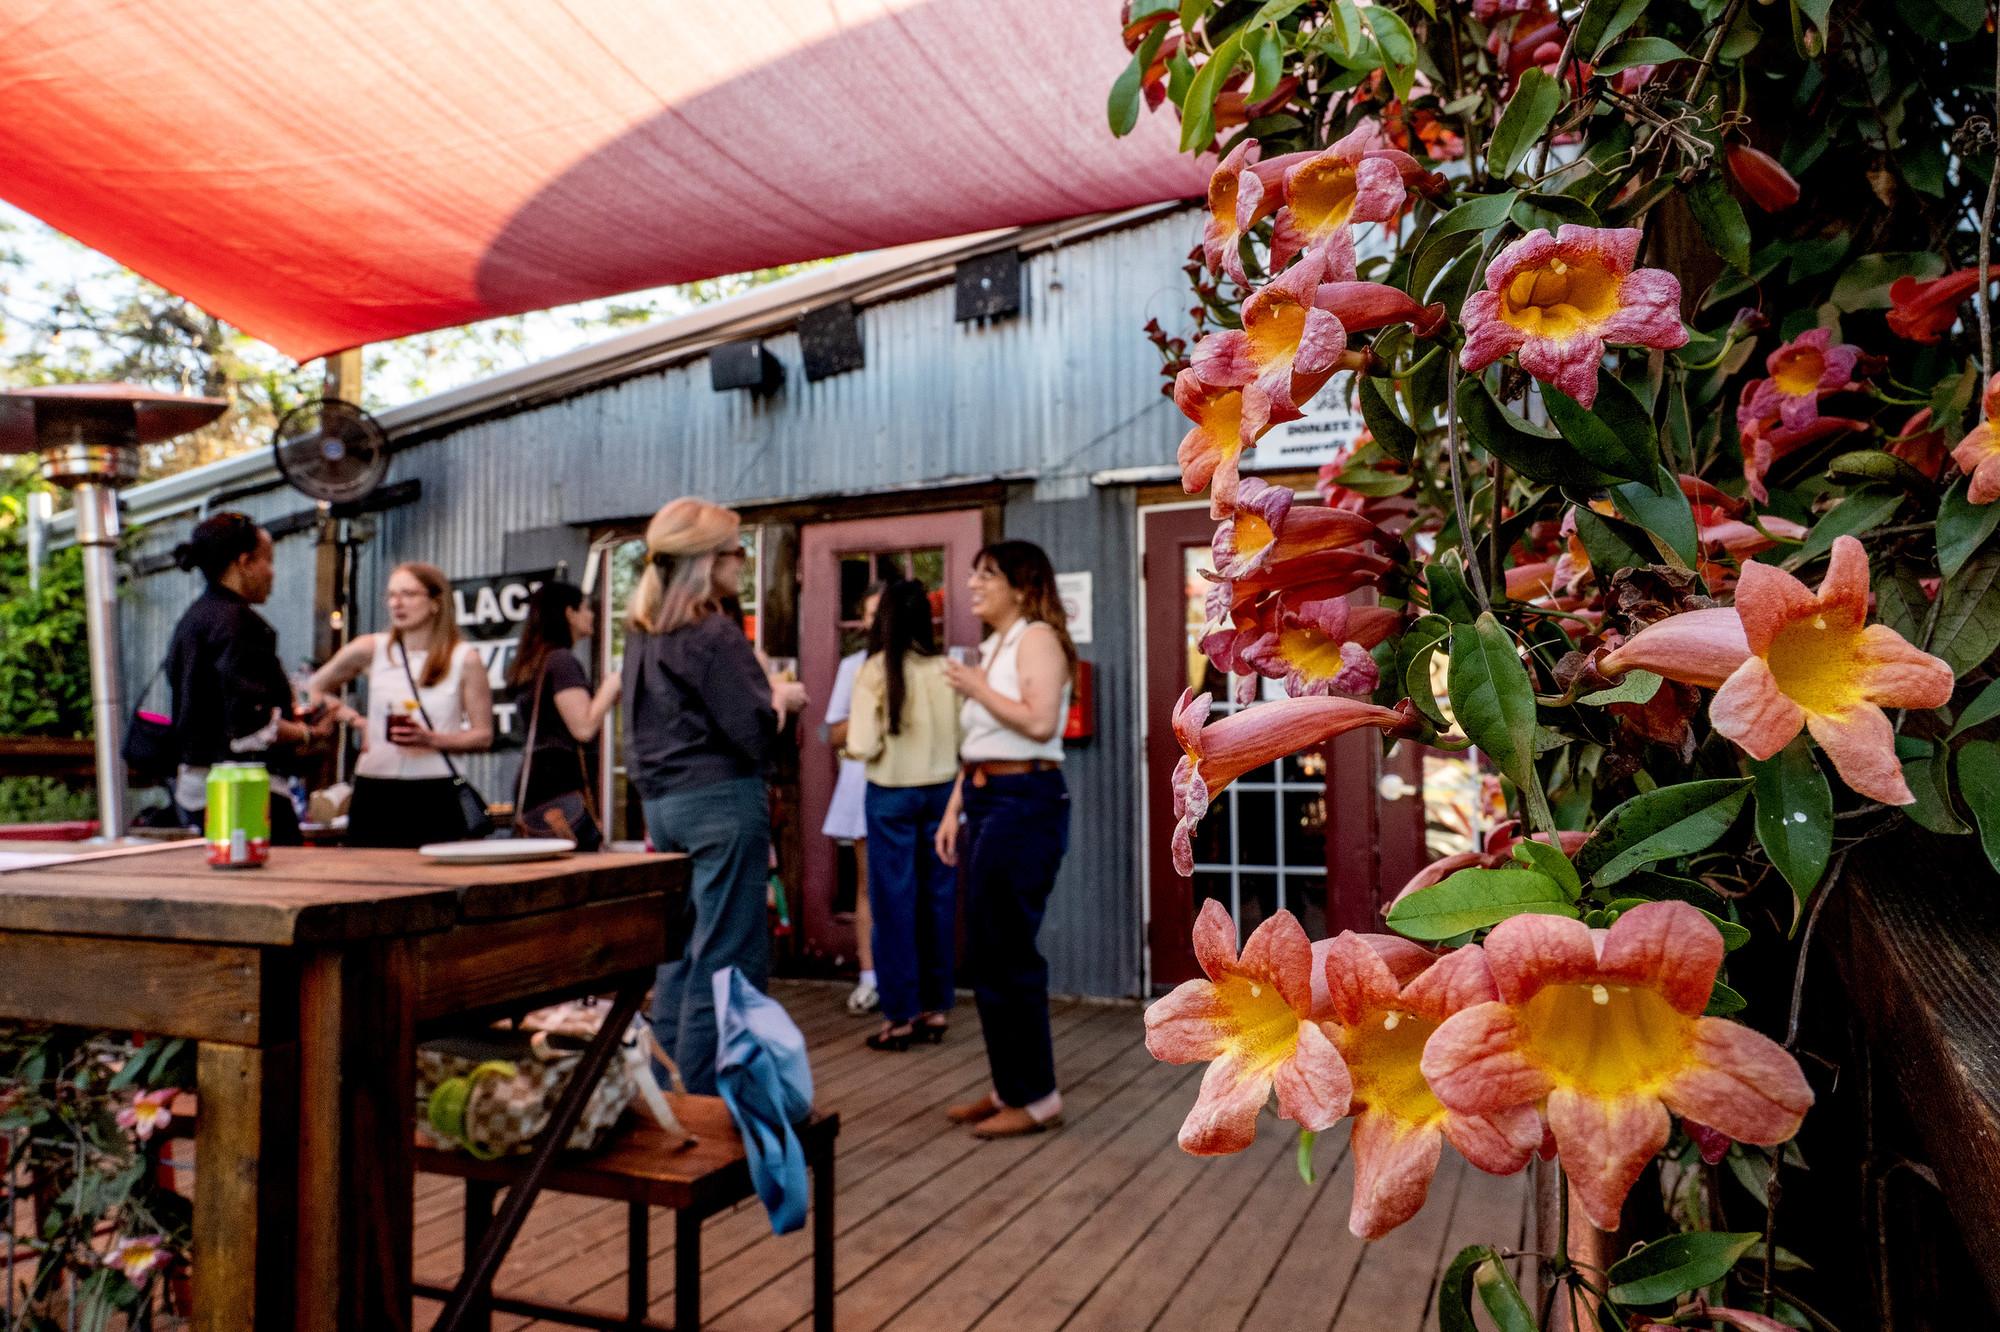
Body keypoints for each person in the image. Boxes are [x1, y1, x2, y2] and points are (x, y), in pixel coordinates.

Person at [624, 498, 808, 1095]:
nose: (743, 561)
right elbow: (753, 730)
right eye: (737, 551)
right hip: (719, 802)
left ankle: (665, 1090)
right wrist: (780, 700)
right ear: (707, 560)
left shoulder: (645, 632)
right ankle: (707, 1101)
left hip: (663, 804)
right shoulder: (711, 633)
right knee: (727, 956)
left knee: (680, 956)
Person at [937, 540, 1075, 1138]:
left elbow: (1039, 722)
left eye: (987, 576)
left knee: (1008, 947)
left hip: (1025, 800)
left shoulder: (1037, 638)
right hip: (986, 795)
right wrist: (954, 808)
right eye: (973, 575)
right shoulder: (995, 645)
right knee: (987, 948)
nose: (973, 585)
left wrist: (976, 688)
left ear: (1022, 587)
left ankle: (1038, 1098)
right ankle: (1008, 1087)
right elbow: (981, 744)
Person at [164, 511, 333, 842]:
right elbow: (250, 724)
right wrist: (310, 733)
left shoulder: (193, 619)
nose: (272, 573)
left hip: (196, 789)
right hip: (246, 793)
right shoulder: (241, 625)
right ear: (244, 563)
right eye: (268, 561)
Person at [845, 578, 962, 1052]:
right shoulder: (947, 669)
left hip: (890, 795)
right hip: (942, 795)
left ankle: (900, 1016)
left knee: (893, 906)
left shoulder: (874, 670)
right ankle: (936, 1007)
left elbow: (861, 743)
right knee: (938, 902)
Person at [308, 561, 494, 847]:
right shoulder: (373, 648)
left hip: (435, 789)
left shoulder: (464, 658)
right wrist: (358, 722)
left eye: (408, 594)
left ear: (435, 602)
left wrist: (432, 739)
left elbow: (483, 735)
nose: (397, 603)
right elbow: (314, 688)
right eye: (392, 595)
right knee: (368, 868)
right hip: (375, 786)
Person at [505, 580, 620, 849]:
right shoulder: (561, 661)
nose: (592, 615)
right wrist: (613, 684)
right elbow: (583, 727)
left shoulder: (535, 661)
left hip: (537, 780)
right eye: (586, 608)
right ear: (570, 613)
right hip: (559, 783)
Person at [824, 583, 885, 1015]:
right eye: (870, 614)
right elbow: (831, 733)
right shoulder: (853, 666)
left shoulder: (925, 665)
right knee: (868, 883)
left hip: (912, 782)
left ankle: (912, 977)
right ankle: (869, 976)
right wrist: (871, 708)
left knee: (911, 884)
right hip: (863, 780)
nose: (876, 622)